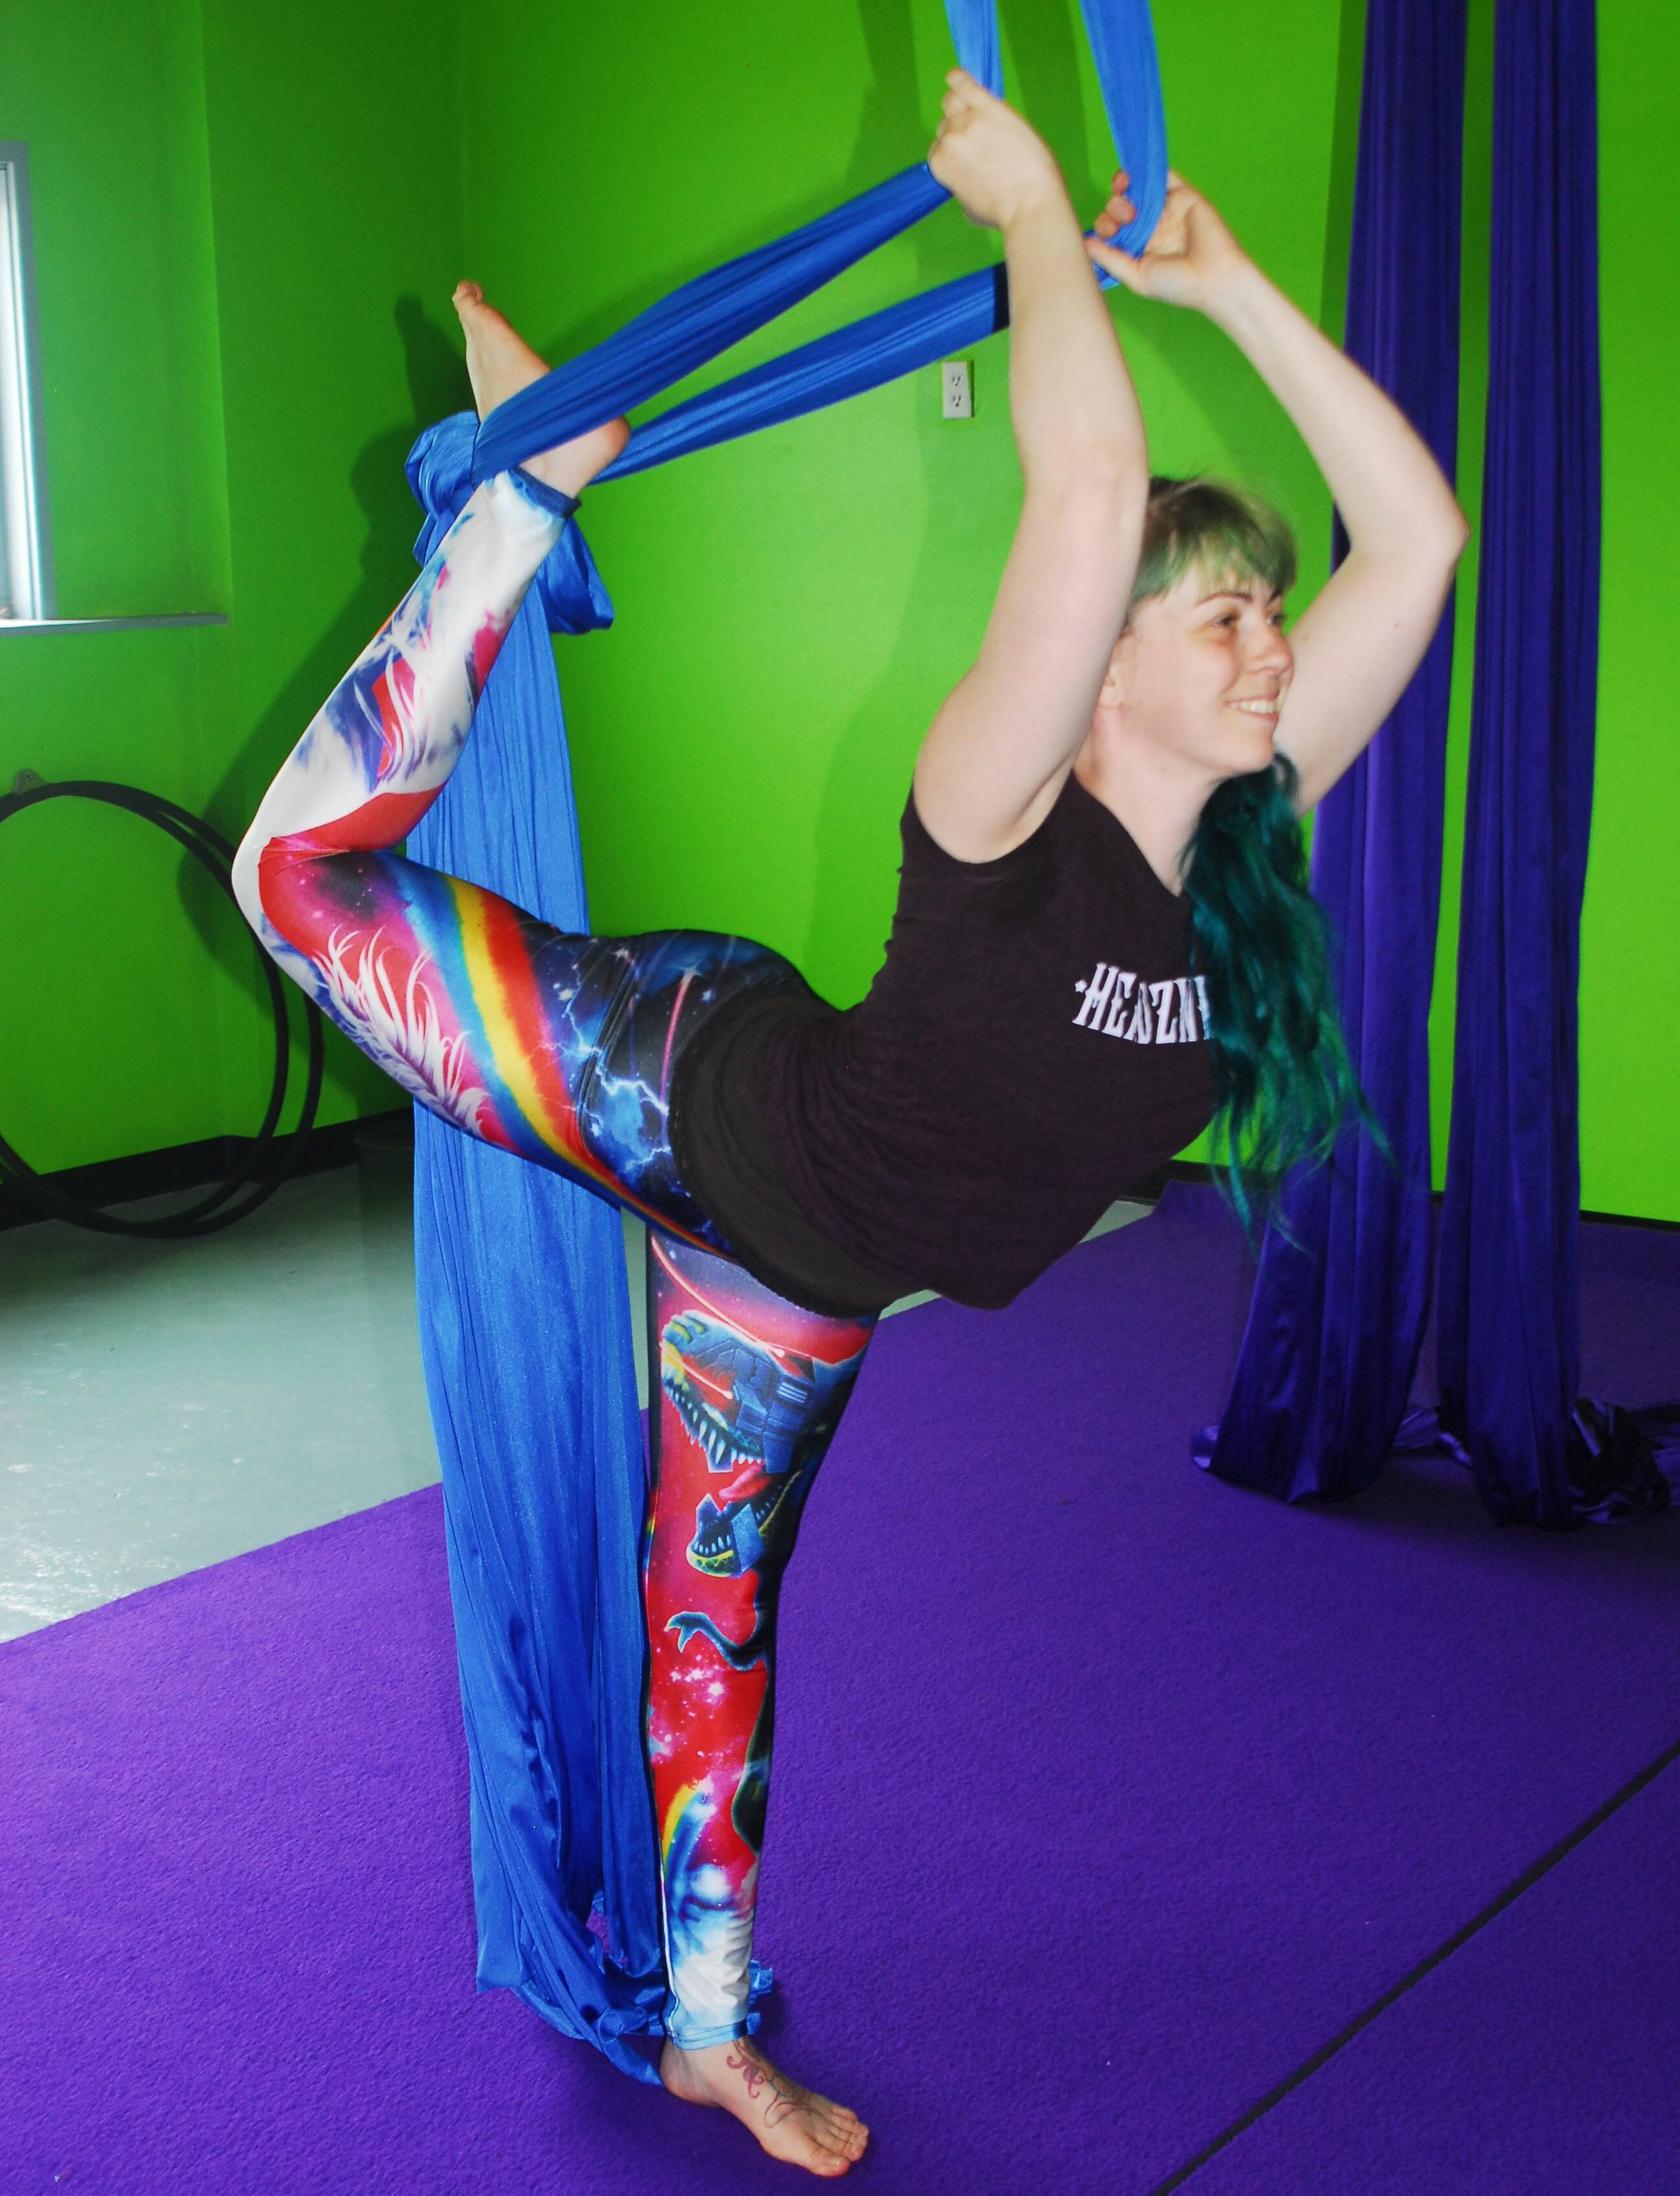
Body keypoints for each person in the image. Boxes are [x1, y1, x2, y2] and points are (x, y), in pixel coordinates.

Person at [233, 71, 1465, 2180]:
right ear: (1100, 685)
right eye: (1225, 613)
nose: (1271, 639)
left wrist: (1235, 283)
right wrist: (1010, 215)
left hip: (796, 1275)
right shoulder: (1002, 805)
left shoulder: (1250, 830)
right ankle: (532, 505)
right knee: (294, 879)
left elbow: (1420, 540)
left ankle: (709, 2033)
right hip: (675, 1078)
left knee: (715, 1632)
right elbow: (1084, 503)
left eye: (1269, 606)